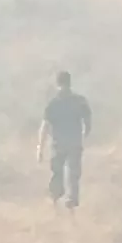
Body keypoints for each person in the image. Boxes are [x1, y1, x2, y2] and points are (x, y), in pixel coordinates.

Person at [37, 71, 92, 209]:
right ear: (70, 83)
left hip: (57, 144)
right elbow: (88, 120)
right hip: (74, 143)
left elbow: (44, 126)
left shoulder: (53, 103)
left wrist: (40, 148)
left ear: (57, 84)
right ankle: (71, 200)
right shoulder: (79, 101)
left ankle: (55, 200)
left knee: (57, 173)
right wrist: (84, 134)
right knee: (73, 173)